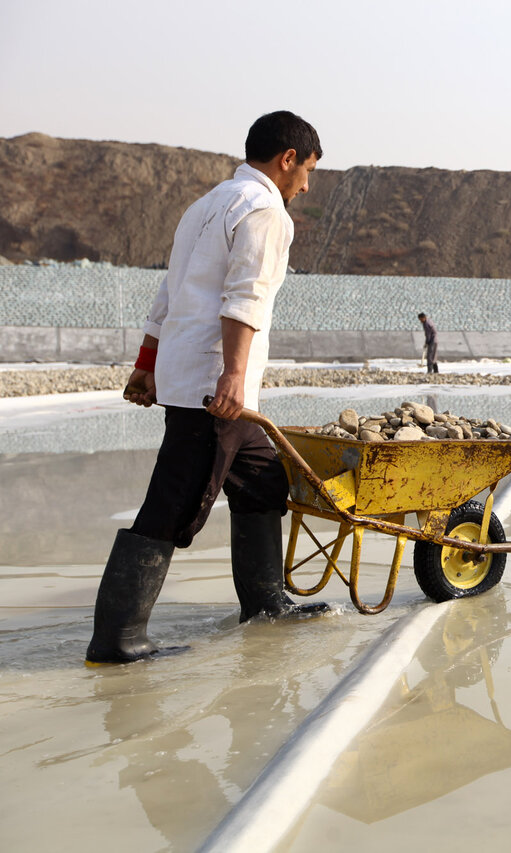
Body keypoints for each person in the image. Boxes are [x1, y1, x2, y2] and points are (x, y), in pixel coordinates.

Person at [86, 111, 329, 665]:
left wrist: (147, 365)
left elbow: (169, 295)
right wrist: (233, 377)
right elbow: (245, 299)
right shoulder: (266, 211)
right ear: (287, 159)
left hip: (195, 378)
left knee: (263, 483)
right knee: (173, 504)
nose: (307, 185)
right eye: (308, 170)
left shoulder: (205, 205)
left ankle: (266, 605)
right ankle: (118, 640)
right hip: (214, 389)